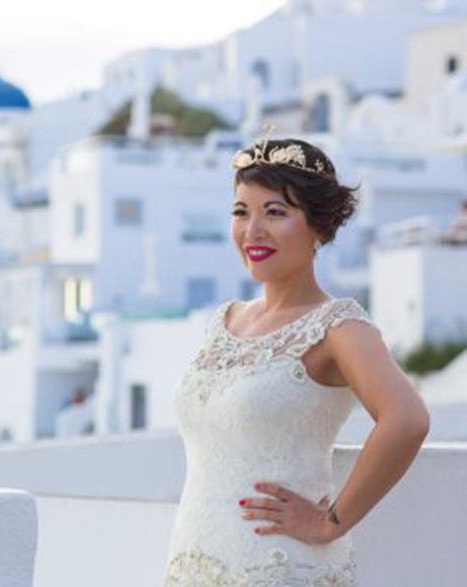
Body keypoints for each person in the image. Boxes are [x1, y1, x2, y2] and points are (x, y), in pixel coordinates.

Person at [164, 129, 430, 585]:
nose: (253, 230)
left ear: (318, 227)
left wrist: (330, 522)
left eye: (275, 212)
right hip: (193, 560)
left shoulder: (337, 326)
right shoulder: (224, 320)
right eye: (241, 212)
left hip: (281, 567)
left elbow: (407, 420)